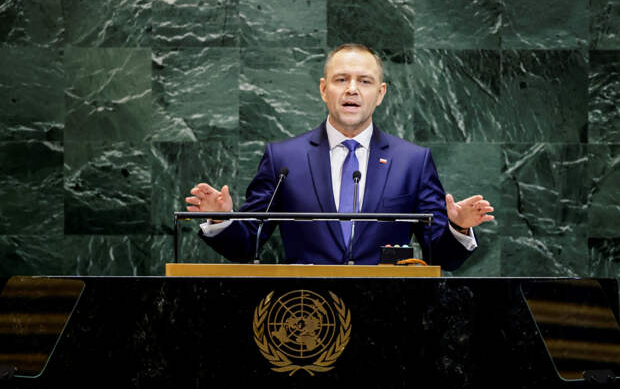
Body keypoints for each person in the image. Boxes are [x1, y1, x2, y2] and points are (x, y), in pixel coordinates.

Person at [185, 43, 494, 270]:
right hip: (309, 314)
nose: (352, 90)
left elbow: (442, 258)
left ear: (380, 93)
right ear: (324, 90)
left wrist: (458, 227)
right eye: (341, 79)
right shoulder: (283, 158)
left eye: (365, 81)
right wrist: (222, 219)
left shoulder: (412, 162)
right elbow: (247, 244)